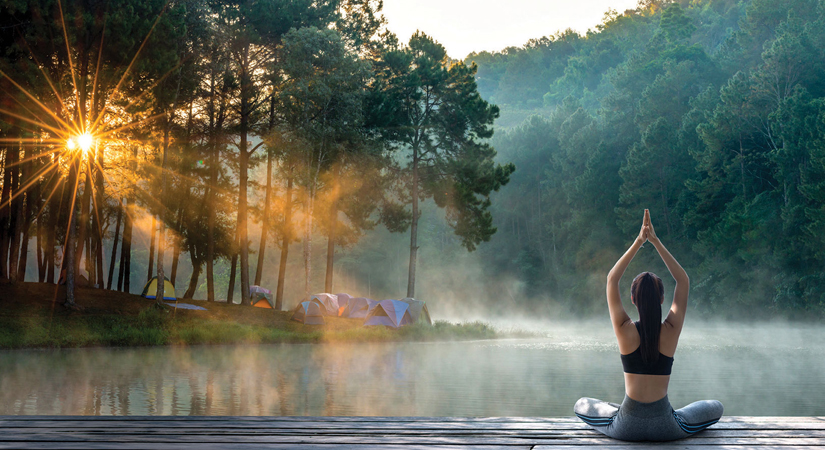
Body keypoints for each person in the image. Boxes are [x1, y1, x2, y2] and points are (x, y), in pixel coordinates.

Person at [573, 209, 723, 441]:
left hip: (626, 427)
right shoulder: (670, 330)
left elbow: (612, 279)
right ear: (662, 299)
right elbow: (683, 280)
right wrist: (655, 240)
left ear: (633, 300)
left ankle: (614, 409)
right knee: (715, 406)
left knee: (581, 404)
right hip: (667, 428)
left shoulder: (624, 329)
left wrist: (639, 241)